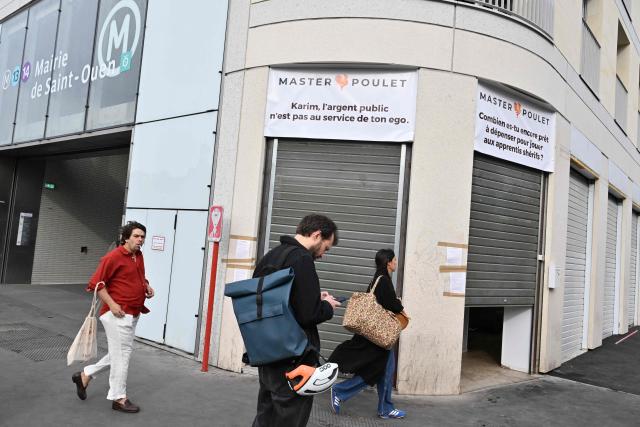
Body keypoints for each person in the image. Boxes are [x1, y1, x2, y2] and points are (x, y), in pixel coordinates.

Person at [252, 214, 342, 427]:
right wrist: (327, 305)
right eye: (325, 248)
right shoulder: (302, 259)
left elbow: (274, 301)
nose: (323, 255)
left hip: (266, 352)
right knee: (290, 417)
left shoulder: (273, 255)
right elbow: (308, 314)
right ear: (317, 235)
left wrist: (312, 299)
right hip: (293, 357)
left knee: (266, 415)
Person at [71, 221, 154, 413]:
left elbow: (138, 277)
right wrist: (113, 304)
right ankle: (119, 398)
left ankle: (85, 375)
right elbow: (97, 284)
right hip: (117, 314)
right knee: (122, 357)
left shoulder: (138, 255)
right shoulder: (113, 257)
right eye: (136, 236)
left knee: (119, 354)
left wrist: (146, 286)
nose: (140, 239)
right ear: (126, 237)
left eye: (142, 236)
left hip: (133, 312)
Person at [329, 248, 407, 419]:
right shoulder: (384, 281)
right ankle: (341, 391)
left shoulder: (377, 280)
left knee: (383, 371)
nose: (396, 262)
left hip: (376, 335)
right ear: (389, 262)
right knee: (377, 370)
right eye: (395, 260)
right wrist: (399, 304)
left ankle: (385, 408)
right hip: (379, 337)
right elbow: (392, 305)